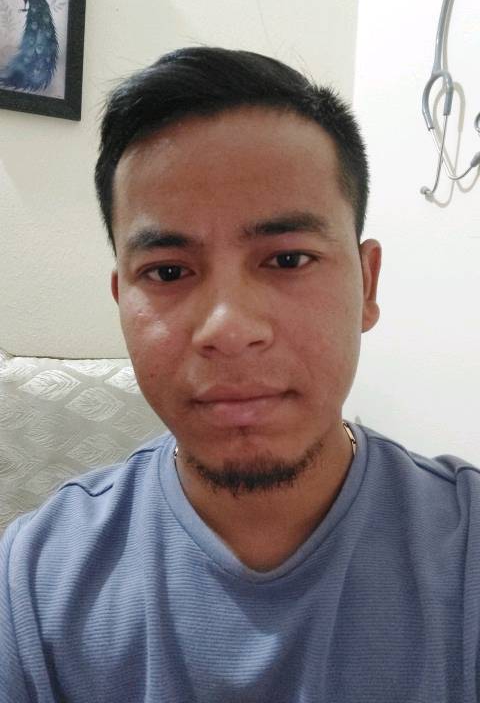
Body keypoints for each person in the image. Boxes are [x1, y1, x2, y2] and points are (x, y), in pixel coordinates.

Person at [1, 46, 479, 703]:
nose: (228, 328)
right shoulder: (35, 582)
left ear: (367, 285)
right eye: (168, 271)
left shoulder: (466, 552)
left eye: (287, 259)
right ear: (122, 300)